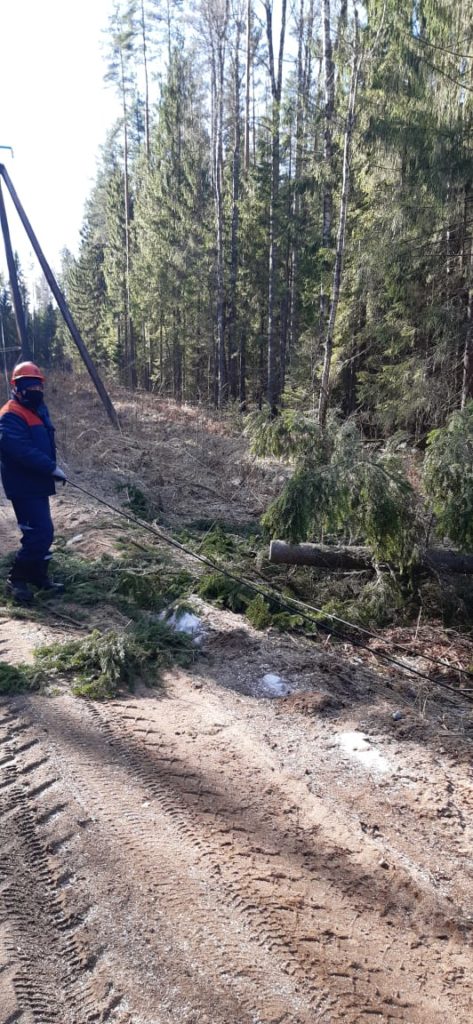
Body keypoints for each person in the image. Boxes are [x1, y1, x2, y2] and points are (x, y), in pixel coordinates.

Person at [0, 361, 66, 604]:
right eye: (28, 384)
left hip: (38, 484)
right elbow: (21, 450)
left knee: (44, 533)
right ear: (16, 387)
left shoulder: (39, 408)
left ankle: (39, 577)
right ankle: (16, 579)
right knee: (38, 533)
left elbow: (43, 442)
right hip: (22, 486)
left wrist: (53, 468)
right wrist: (50, 467)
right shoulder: (9, 414)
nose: (34, 389)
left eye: (37, 384)